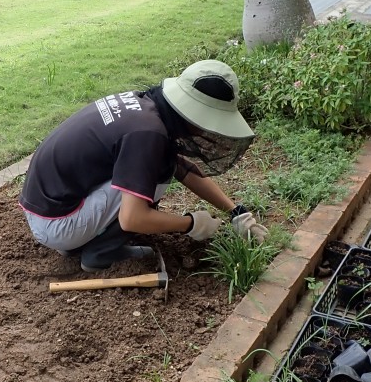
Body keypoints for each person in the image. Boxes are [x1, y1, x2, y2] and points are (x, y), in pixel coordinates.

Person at [19, 60, 269, 272]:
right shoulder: (148, 134)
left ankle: (79, 239)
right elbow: (132, 218)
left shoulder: (145, 107)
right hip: (56, 223)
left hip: (48, 209)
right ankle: (99, 253)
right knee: (157, 173)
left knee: (160, 164)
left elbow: (183, 169)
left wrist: (236, 211)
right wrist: (192, 223)